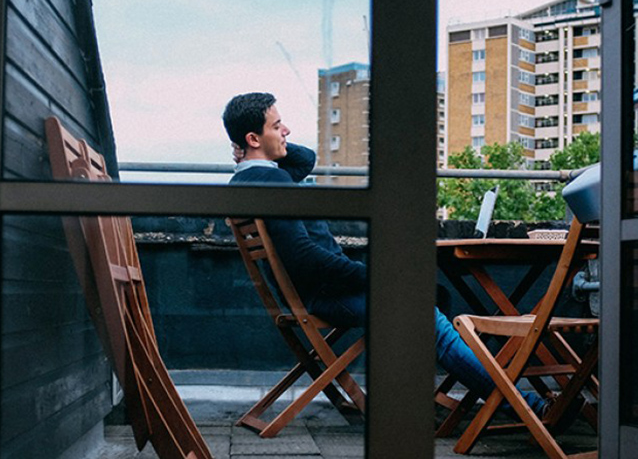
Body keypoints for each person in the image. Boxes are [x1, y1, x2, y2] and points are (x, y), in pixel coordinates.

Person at [222, 91, 547, 418]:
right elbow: (305, 256)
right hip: (326, 296)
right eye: (277, 126)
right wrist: (371, 274)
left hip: (318, 292)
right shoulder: (271, 181)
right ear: (253, 138)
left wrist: (257, 150)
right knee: (424, 313)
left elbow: (304, 159)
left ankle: (414, 396)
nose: (286, 131)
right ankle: (524, 406)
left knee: (435, 297)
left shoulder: (256, 179)